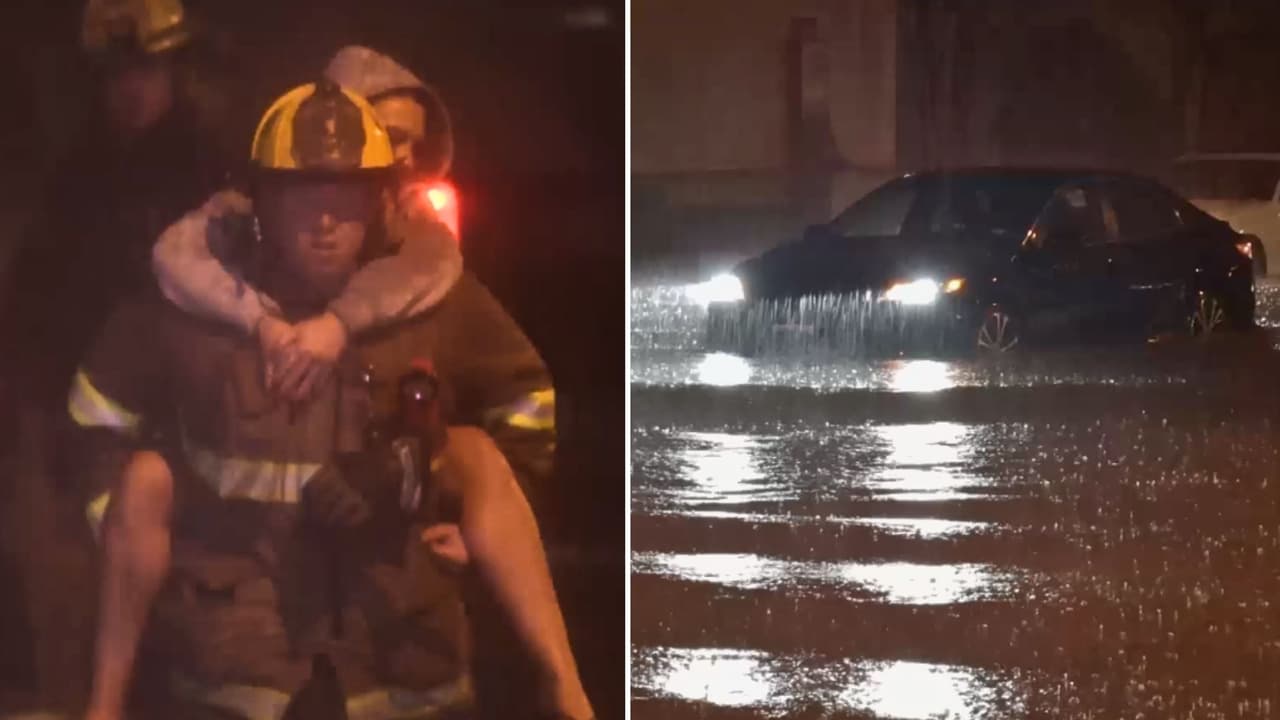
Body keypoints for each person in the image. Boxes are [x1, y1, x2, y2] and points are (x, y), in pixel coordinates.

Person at [74, 79, 592, 720]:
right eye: (302, 199)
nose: (324, 224)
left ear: (379, 202)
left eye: (345, 200)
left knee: (474, 449)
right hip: (235, 657)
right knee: (147, 475)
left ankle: (570, 696)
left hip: (400, 652)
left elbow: (525, 399)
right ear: (261, 204)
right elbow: (95, 418)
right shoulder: (194, 310)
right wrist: (133, 539)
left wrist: (467, 522)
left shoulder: (434, 301)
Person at [0, 0, 225, 706]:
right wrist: (34, 419)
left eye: (147, 69)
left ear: (177, 71)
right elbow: (33, 304)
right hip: (73, 420)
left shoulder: (215, 174)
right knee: (62, 578)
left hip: (181, 427)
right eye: (116, 72)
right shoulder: (74, 176)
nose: (131, 88)